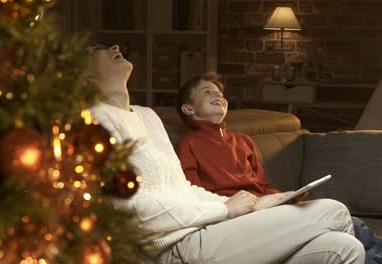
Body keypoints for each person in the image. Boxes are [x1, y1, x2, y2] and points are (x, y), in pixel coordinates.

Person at [85, 43, 365, 263]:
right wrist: (223, 209)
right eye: (98, 48)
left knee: (343, 248)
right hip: (176, 248)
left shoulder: (147, 116)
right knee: (334, 211)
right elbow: (128, 209)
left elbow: (183, 189)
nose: (114, 49)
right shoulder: (89, 122)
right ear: (80, 73)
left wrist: (258, 204)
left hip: (210, 231)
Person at [175, 72, 382, 263]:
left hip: (266, 209)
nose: (218, 96)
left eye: (220, 93)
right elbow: (193, 194)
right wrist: (232, 206)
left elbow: (263, 185)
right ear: (189, 109)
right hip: (236, 217)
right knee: (340, 216)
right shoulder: (189, 144)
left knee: (347, 233)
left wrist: (284, 197)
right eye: (208, 92)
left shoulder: (243, 141)